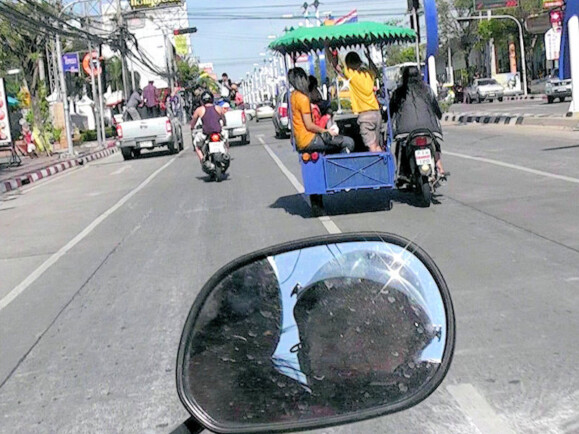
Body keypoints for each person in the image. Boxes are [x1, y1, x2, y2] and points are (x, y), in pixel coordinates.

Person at [389, 66, 446, 176]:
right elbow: (436, 107)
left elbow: (391, 110)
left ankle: (401, 173)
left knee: (399, 148)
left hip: (405, 130)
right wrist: (439, 115)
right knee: (435, 143)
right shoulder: (427, 90)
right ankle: (439, 166)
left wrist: (386, 117)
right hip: (428, 128)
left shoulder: (398, 93)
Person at [327, 48, 383, 152]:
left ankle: (377, 167)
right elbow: (376, 71)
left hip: (365, 116)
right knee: (377, 145)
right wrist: (369, 57)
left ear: (349, 63)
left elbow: (335, 66)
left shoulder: (351, 74)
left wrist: (327, 48)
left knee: (372, 147)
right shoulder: (368, 73)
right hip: (376, 113)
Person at [288, 67, 354, 155]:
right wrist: (326, 131)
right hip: (309, 139)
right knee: (348, 142)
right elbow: (309, 125)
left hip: (301, 140)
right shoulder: (303, 99)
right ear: (302, 79)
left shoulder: (293, 96)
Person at [190, 90, 227, 172]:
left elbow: (193, 122)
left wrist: (192, 128)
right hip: (218, 132)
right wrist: (223, 124)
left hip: (206, 133)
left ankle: (202, 160)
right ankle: (226, 154)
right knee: (226, 140)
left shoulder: (199, 110)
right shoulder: (218, 108)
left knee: (196, 146)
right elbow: (224, 119)